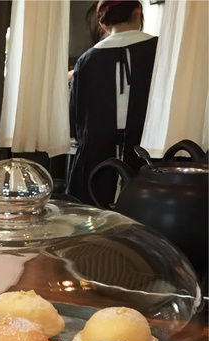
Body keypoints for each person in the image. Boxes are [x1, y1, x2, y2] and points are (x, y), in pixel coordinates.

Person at [67, 0, 157, 205]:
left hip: (96, 156)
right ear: (138, 11)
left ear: (103, 23)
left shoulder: (87, 59)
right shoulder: (160, 49)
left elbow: (75, 117)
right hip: (148, 153)